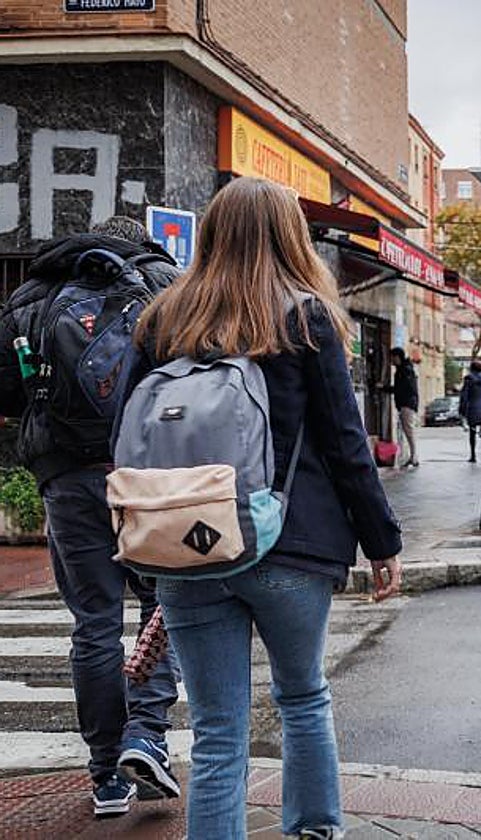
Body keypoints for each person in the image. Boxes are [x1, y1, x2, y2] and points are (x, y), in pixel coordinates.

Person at [125, 177, 403, 839]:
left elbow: (126, 441)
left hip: (187, 546)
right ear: (289, 237)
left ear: (211, 236)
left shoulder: (162, 320)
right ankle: (313, 829)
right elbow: (344, 443)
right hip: (291, 543)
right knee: (304, 698)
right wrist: (381, 541)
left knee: (218, 730)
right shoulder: (303, 317)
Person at [0, 217, 182, 817]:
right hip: (147, 469)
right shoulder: (161, 281)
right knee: (167, 602)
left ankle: (107, 773)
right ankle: (146, 735)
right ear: (140, 240)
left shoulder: (35, 292)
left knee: (94, 622)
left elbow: (5, 388)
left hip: (69, 478)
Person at [380, 347, 420, 467]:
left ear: (397, 357)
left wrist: (384, 388)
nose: (391, 360)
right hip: (407, 403)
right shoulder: (405, 369)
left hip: (407, 404)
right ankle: (410, 456)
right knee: (407, 431)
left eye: (392, 357)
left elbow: (402, 389)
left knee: (409, 431)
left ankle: (413, 457)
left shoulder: (405, 370)